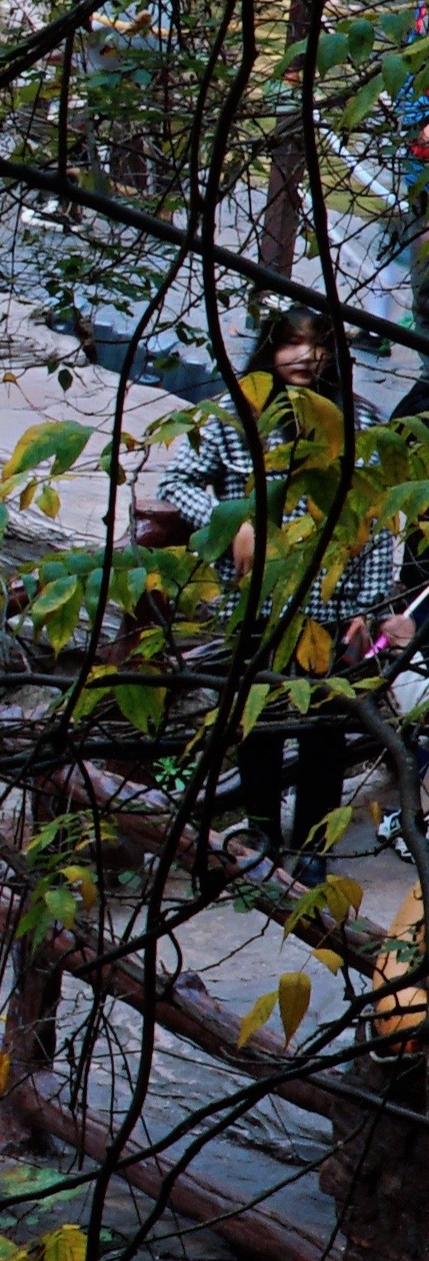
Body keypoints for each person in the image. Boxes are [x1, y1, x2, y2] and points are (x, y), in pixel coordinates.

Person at [158, 311, 420, 878]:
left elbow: (374, 524)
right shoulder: (237, 418)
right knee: (259, 726)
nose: (304, 356)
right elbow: (174, 482)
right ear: (270, 349)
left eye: (316, 345)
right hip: (258, 604)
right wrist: (234, 520)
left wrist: (369, 611)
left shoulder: (357, 423)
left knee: (324, 730)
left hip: (333, 608)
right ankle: (260, 836)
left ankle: (313, 850)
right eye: (291, 344)